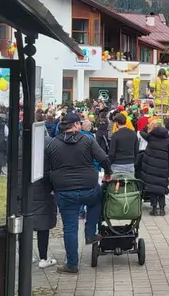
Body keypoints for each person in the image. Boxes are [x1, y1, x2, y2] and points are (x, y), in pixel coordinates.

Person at [45, 112, 112, 274]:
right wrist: (108, 173)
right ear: (75, 125)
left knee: (70, 227)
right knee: (97, 200)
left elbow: (47, 169)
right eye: (79, 123)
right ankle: (90, 233)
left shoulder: (52, 144)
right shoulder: (87, 140)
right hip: (89, 187)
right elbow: (103, 158)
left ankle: (72, 264)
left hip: (64, 191)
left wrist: (52, 187)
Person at [32, 135, 58, 269]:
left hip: (24, 189)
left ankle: (27, 254)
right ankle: (43, 258)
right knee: (43, 224)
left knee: (26, 222)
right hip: (44, 189)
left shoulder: (20, 142)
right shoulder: (50, 144)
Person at [140, 120, 169, 216]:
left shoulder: (151, 137)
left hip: (151, 166)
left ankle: (154, 209)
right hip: (163, 166)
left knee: (153, 187)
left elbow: (141, 132)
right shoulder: (168, 138)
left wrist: (148, 127)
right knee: (162, 187)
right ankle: (162, 209)